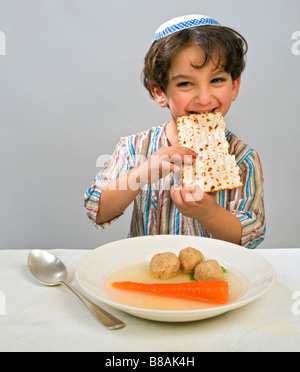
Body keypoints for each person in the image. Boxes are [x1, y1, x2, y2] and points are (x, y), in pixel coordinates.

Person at [84, 14, 266, 249]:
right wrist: (142, 173)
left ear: (234, 86)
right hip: (148, 273)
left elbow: (249, 236)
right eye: (185, 84)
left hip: (213, 277)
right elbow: (96, 210)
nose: (203, 97)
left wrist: (208, 213)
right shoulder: (134, 148)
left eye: (217, 80)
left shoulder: (242, 158)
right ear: (160, 92)